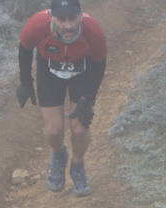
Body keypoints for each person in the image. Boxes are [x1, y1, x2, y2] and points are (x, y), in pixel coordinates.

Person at [16, 0, 107, 197]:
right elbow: (24, 49)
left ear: (80, 16)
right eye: (62, 19)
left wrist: (89, 98)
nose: (68, 25)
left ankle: (78, 165)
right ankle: (58, 155)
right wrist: (25, 82)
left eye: (72, 18)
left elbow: (99, 65)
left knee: (80, 128)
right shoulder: (37, 25)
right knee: (53, 129)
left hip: (83, 72)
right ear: (52, 17)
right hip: (49, 72)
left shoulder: (93, 31)